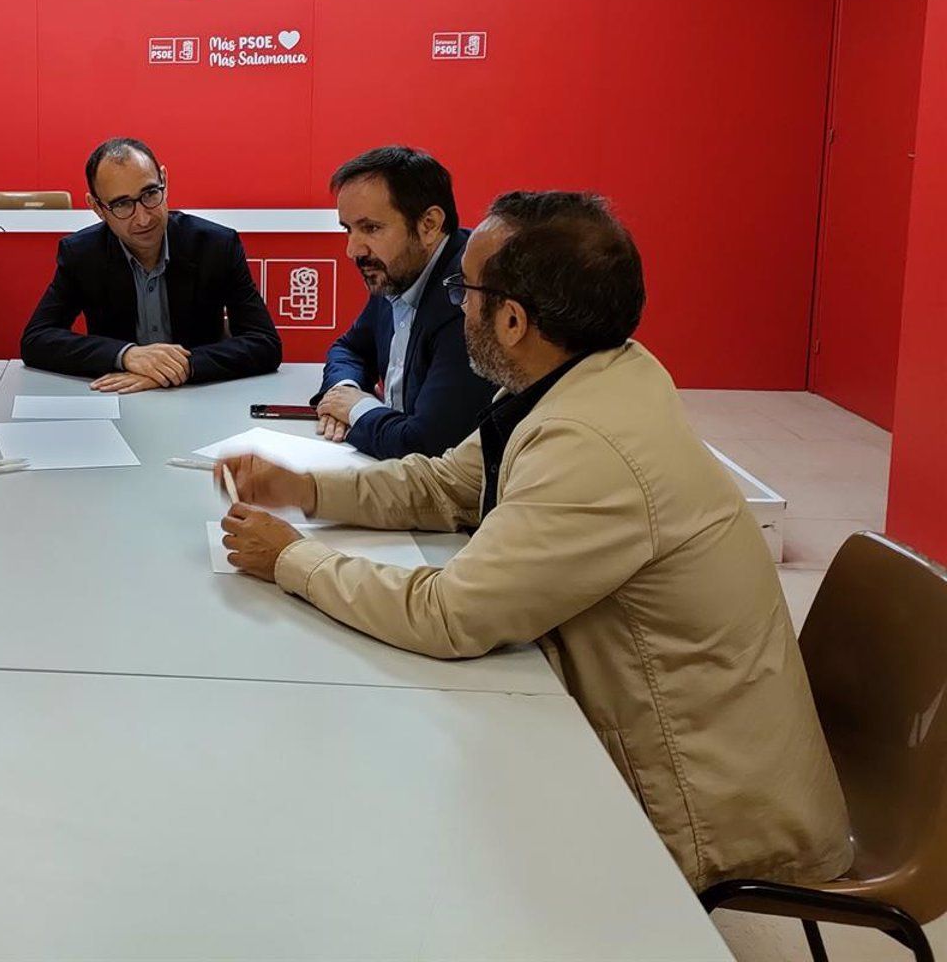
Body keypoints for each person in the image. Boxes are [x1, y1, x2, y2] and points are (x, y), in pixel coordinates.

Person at [215, 192, 852, 890]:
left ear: (513, 320)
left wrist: (293, 558)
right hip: (653, 745)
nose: (458, 307)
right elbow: (446, 486)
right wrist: (307, 489)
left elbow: (450, 615)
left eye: (465, 291)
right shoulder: (580, 378)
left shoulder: (589, 443)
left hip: (696, 812)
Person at [21, 137, 279, 391]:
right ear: (97, 208)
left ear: (164, 180)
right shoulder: (82, 254)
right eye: (122, 205)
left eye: (150, 194)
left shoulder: (216, 246)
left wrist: (178, 369)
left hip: (199, 394)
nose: (143, 218)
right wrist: (126, 355)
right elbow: (36, 339)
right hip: (119, 397)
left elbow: (264, 342)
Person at [313, 146, 493, 458]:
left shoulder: (469, 297)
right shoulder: (398, 270)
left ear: (429, 225)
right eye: (348, 229)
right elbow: (350, 348)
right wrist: (345, 390)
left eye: (371, 228)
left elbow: (427, 446)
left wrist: (357, 410)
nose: (353, 250)